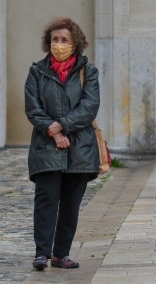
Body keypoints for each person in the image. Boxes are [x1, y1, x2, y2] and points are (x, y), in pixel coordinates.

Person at [25, 18, 100, 271]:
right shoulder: (37, 71)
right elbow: (32, 107)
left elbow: (89, 107)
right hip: (47, 146)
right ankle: (41, 254)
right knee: (46, 200)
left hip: (80, 148)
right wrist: (53, 131)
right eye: (55, 39)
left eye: (64, 40)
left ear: (75, 43)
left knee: (70, 203)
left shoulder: (87, 71)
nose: (59, 44)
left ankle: (60, 254)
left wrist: (63, 125)